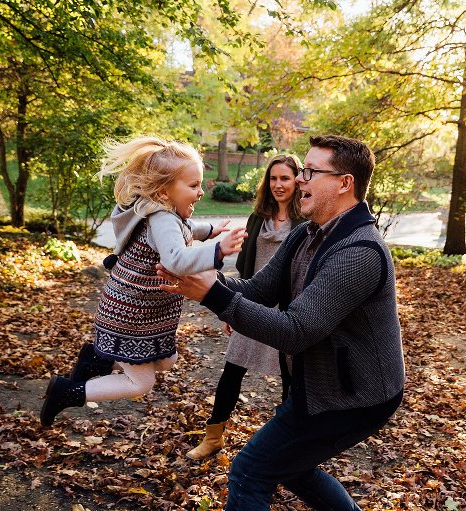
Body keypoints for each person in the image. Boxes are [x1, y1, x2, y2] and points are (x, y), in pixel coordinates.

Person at [158, 135, 405, 510]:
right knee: (292, 467)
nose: (301, 178)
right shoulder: (306, 234)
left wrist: (211, 294)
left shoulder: (360, 252)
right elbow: (258, 290)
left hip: (356, 396)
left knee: (250, 472)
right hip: (319, 385)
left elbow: (296, 332)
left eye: (311, 171)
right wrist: (202, 273)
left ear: (344, 183)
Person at [40, 136, 246, 427]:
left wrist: (210, 229)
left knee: (167, 359)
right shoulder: (161, 219)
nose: (201, 192)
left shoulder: (163, 212)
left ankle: (97, 360)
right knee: (141, 383)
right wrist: (218, 250)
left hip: (140, 312)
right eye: (193, 185)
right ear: (163, 191)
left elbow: (185, 228)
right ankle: (68, 392)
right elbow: (175, 258)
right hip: (130, 315)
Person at [187, 153, 304, 460]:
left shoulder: (305, 221)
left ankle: (288, 447)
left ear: (297, 181)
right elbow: (244, 267)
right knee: (232, 370)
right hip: (251, 301)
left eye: (285, 178)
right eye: (273, 178)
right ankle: (213, 437)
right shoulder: (257, 218)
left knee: (291, 379)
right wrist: (231, 309)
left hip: (287, 311)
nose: (278, 184)